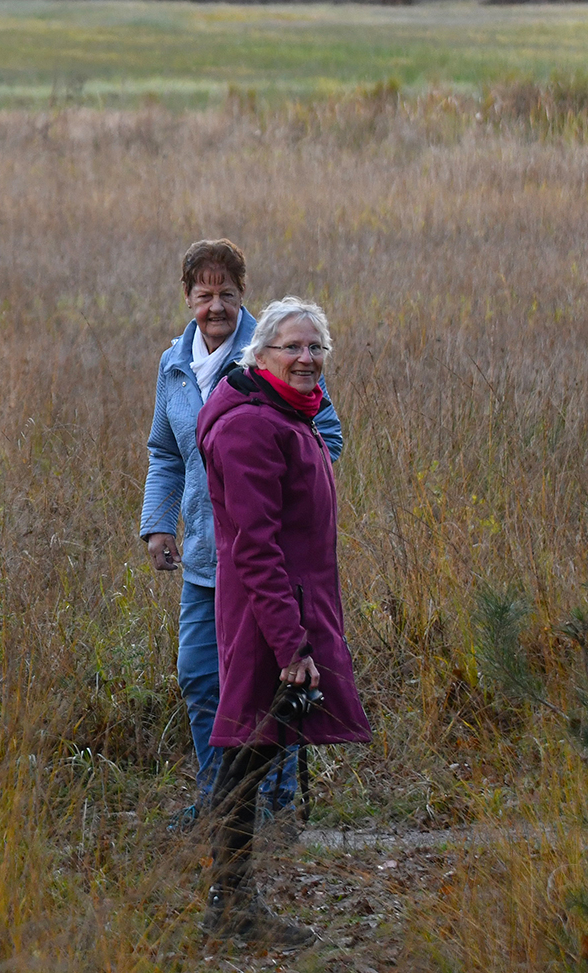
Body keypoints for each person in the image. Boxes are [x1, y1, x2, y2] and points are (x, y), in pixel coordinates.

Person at [141, 241, 343, 829]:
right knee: (201, 678)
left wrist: (282, 493)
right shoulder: (173, 364)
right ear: (187, 298)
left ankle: (273, 809)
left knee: (271, 691)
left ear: (241, 296)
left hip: (266, 561)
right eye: (204, 295)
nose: (216, 306)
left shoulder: (277, 351)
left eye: (227, 294)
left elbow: (325, 436)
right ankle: (220, 801)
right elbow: (164, 452)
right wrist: (158, 524)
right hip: (207, 558)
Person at [194, 297, 371, 947]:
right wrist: (291, 642)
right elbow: (255, 545)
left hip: (290, 606)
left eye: (316, 347)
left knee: (256, 748)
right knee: (249, 750)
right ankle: (230, 903)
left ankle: (232, 901)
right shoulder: (250, 426)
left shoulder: (289, 414)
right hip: (271, 614)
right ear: (260, 352)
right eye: (292, 347)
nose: (306, 358)